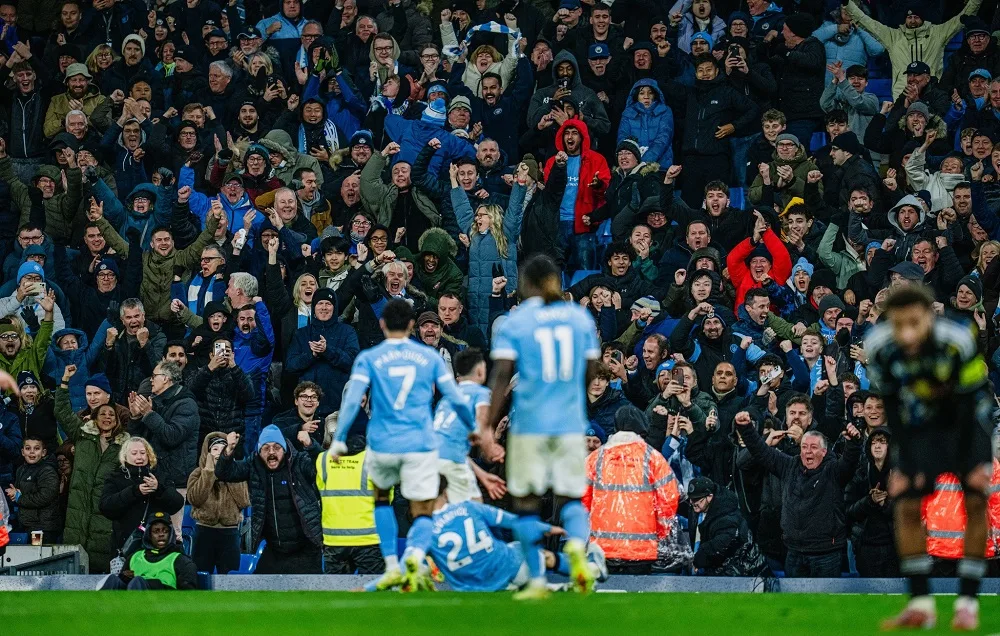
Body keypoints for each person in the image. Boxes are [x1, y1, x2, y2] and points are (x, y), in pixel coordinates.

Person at [866, 285, 993, 630]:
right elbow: (892, 406)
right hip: (920, 427)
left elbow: (969, 401)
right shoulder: (878, 347)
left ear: (929, 317)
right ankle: (921, 604)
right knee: (905, 503)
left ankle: (967, 602)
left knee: (976, 500)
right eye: (898, 324)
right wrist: (907, 461)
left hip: (966, 422)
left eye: (914, 323)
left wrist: (972, 466)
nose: (906, 333)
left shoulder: (958, 339)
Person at [331, 299, 476, 591]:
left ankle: (393, 567)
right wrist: (474, 429)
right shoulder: (431, 358)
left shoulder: (369, 358)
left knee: (381, 499)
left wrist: (338, 439)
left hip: (382, 442)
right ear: (412, 326)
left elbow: (351, 401)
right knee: (422, 510)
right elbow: (454, 396)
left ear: (382, 324)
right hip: (419, 443)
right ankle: (414, 556)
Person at [477, 254, 599, 599]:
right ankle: (576, 547)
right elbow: (591, 373)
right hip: (570, 423)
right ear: (557, 282)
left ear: (526, 284)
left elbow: (501, 375)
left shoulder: (516, 322)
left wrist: (487, 425)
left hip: (529, 424)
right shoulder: (580, 318)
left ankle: (536, 581)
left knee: (527, 502)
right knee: (571, 496)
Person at [733, 407, 862, 578]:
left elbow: (849, 462)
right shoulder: (789, 465)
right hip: (793, 552)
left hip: (826, 554)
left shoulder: (833, 471)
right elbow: (762, 452)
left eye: (813, 447)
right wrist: (746, 429)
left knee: (826, 603)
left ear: (824, 452)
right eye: (804, 447)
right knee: (794, 603)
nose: (808, 451)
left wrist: (853, 443)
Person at [583, 405, 679, 574]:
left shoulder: (595, 458)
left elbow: (582, 499)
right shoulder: (652, 457)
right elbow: (669, 498)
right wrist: (661, 530)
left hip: (603, 547)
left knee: (604, 595)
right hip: (641, 549)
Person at [215, 425, 323, 574]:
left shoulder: (299, 461)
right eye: (266, 448)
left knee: (309, 595)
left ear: (284, 450)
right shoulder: (253, 464)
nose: (271, 452)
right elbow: (224, 473)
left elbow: (324, 469)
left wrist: (311, 446)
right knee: (259, 594)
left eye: (276, 447)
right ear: (259, 452)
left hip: (306, 549)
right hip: (274, 551)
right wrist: (228, 451)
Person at [99, 436, 184, 566]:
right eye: (134, 453)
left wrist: (158, 489)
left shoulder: (160, 476)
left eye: (143, 453)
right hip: (126, 546)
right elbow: (105, 507)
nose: (139, 457)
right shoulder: (115, 478)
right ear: (125, 457)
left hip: (158, 548)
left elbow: (177, 504)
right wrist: (134, 492)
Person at [185, 432, 250, 574]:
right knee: (200, 577)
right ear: (206, 453)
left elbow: (244, 501)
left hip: (230, 533)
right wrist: (209, 473)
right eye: (215, 449)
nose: (218, 453)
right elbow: (195, 499)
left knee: (229, 580)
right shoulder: (197, 474)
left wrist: (227, 470)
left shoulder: (237, 471)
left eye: (223, 449)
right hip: (204, 532)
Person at [434, 348, 490, 503]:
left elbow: (450, 443)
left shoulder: (445, 400)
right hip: (452, 460)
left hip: (431, 457)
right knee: (475, 506)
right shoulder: (480, 393)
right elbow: (482, 422)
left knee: (444, 508)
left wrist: (481, 474)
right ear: (480, 370)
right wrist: (490, 446)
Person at [687, 476, 769, 577]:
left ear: (710, 497)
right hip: (722, 567)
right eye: (690, 499)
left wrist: (698, 558)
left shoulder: (727, 516)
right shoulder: (699, 507)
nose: (692, 502)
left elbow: (721, 544)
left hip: (746, 571)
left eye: (696, 499)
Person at [97, 511, 197, 590]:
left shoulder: (181, 560)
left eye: (165, 531)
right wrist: (124, 578)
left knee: (138, 582)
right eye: (156, 531)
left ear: (171, 534)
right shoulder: (134, 557)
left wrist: (155, 585)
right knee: (113, 580)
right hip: (128, 603)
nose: (161, 534)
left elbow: (188, 597)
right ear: (149, 535)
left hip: (162, 609)